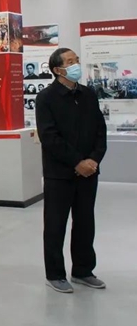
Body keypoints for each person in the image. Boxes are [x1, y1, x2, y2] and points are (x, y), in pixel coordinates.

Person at [35, 48, 107, 294]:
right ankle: (55, 274)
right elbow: (49, 137)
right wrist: (77, 162)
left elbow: (100, 131)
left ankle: (83, 270)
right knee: (55, 226)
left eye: (76, 60)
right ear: (57, 70)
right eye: (70, 62)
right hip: (59, 174)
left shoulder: (88, 94)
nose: (76, 64)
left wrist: (93, 159)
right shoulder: (46, 98)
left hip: (89, 172)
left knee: (85, 222)